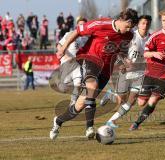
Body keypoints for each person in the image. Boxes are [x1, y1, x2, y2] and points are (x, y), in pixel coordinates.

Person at [49, 8, 138, 140]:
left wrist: (124, 62)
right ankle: (89, 127)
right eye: (128, 26)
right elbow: (77, 32)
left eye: (131, 28)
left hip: (106, 69)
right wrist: (63, 47)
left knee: (79, 105)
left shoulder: (128, 35)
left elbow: (121, 51)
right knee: (92, 86)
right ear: (123, 20)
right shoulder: (100, 24)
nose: (128, 30)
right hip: (90, 59)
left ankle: (58, 121)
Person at [100, 15, 152, 128]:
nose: (145, 25)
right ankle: (110, 94)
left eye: (147, 23)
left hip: (140, 73)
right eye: (143, 23)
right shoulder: (131, 35)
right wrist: (122, 62)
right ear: (138, 24)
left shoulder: (151, 38)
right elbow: (118, 50)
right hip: (126, 71)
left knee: (131, 101)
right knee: (120, 100)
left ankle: (111, 121)